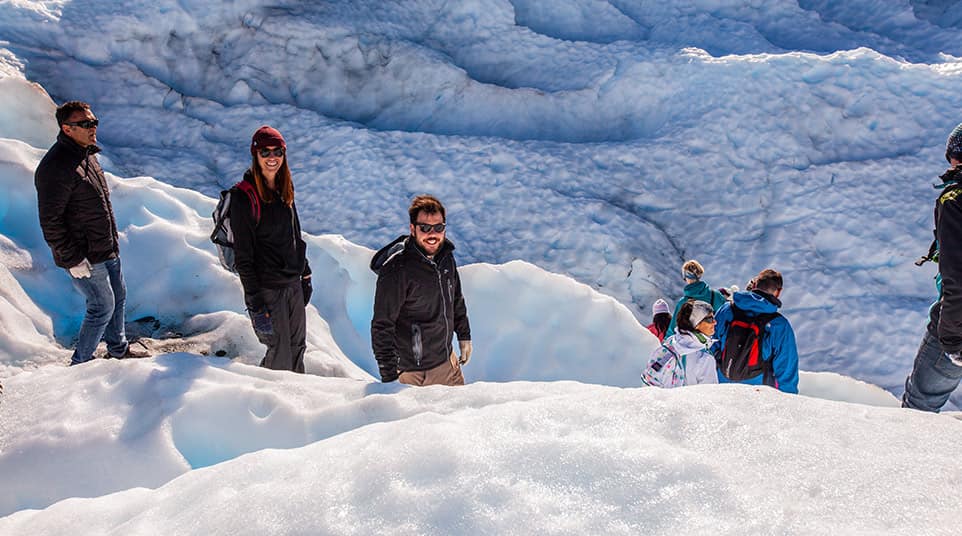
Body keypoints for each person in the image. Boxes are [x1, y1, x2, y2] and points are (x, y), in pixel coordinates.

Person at [34, 101, 149, 365]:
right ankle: (80, 363)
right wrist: (72, 258)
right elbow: (50, 221)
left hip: (105, 247)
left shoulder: (86, 155)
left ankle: (118, 349)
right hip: (84, 255)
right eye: (85, 124)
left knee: (119, 296)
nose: (92, 127)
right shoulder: (56, 167)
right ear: (67, 129)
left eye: (94, 122)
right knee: (101, 306)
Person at [231, 126, 312, 373]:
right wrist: (256, 303)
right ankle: (264, 397)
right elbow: (243, 257)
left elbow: (294, 234)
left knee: (297, 348)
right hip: (267, 289)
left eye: (277, 151)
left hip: (292, 284)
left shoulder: (284, 188)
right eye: (265, 152)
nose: (272, 157)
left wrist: (305, 273)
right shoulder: (243, 197)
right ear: (255, 154)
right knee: (279, 354)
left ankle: (299, 396)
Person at [370, 195, 472, 386]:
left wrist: (464, 335)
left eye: (438, 227)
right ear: (412, 229)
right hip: (413, 374)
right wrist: (390, 376)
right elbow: (382, 325)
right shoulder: (397, 269)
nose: (432, 234)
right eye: (425, 228)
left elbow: (455, 298)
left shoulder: (446, 258)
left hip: (447, 365)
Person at [902, 123, 962, 412]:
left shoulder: (955, 200)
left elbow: (957, 277)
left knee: (920, 407)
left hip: (956, 325)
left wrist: (950, 338)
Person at [712, 268, 799, 394]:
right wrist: (788, 400)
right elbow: (786, 369)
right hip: (759, 395)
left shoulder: (727, 310)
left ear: (755, 285)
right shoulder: (779, 325)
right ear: (778, 292)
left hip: (722, 388)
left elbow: (710, 345)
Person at [642, 300, 719, 387]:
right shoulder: (704, 358)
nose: (714, 322)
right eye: (709, 319)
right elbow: (708, 393)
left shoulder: (669, 343)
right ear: (696, 323)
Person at [665, 259, 727, 337]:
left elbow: (673, 329)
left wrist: (665, 342)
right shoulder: (716, 295)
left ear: (685, 277)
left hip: (693, 342)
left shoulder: (684, 303)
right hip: (715, 340)